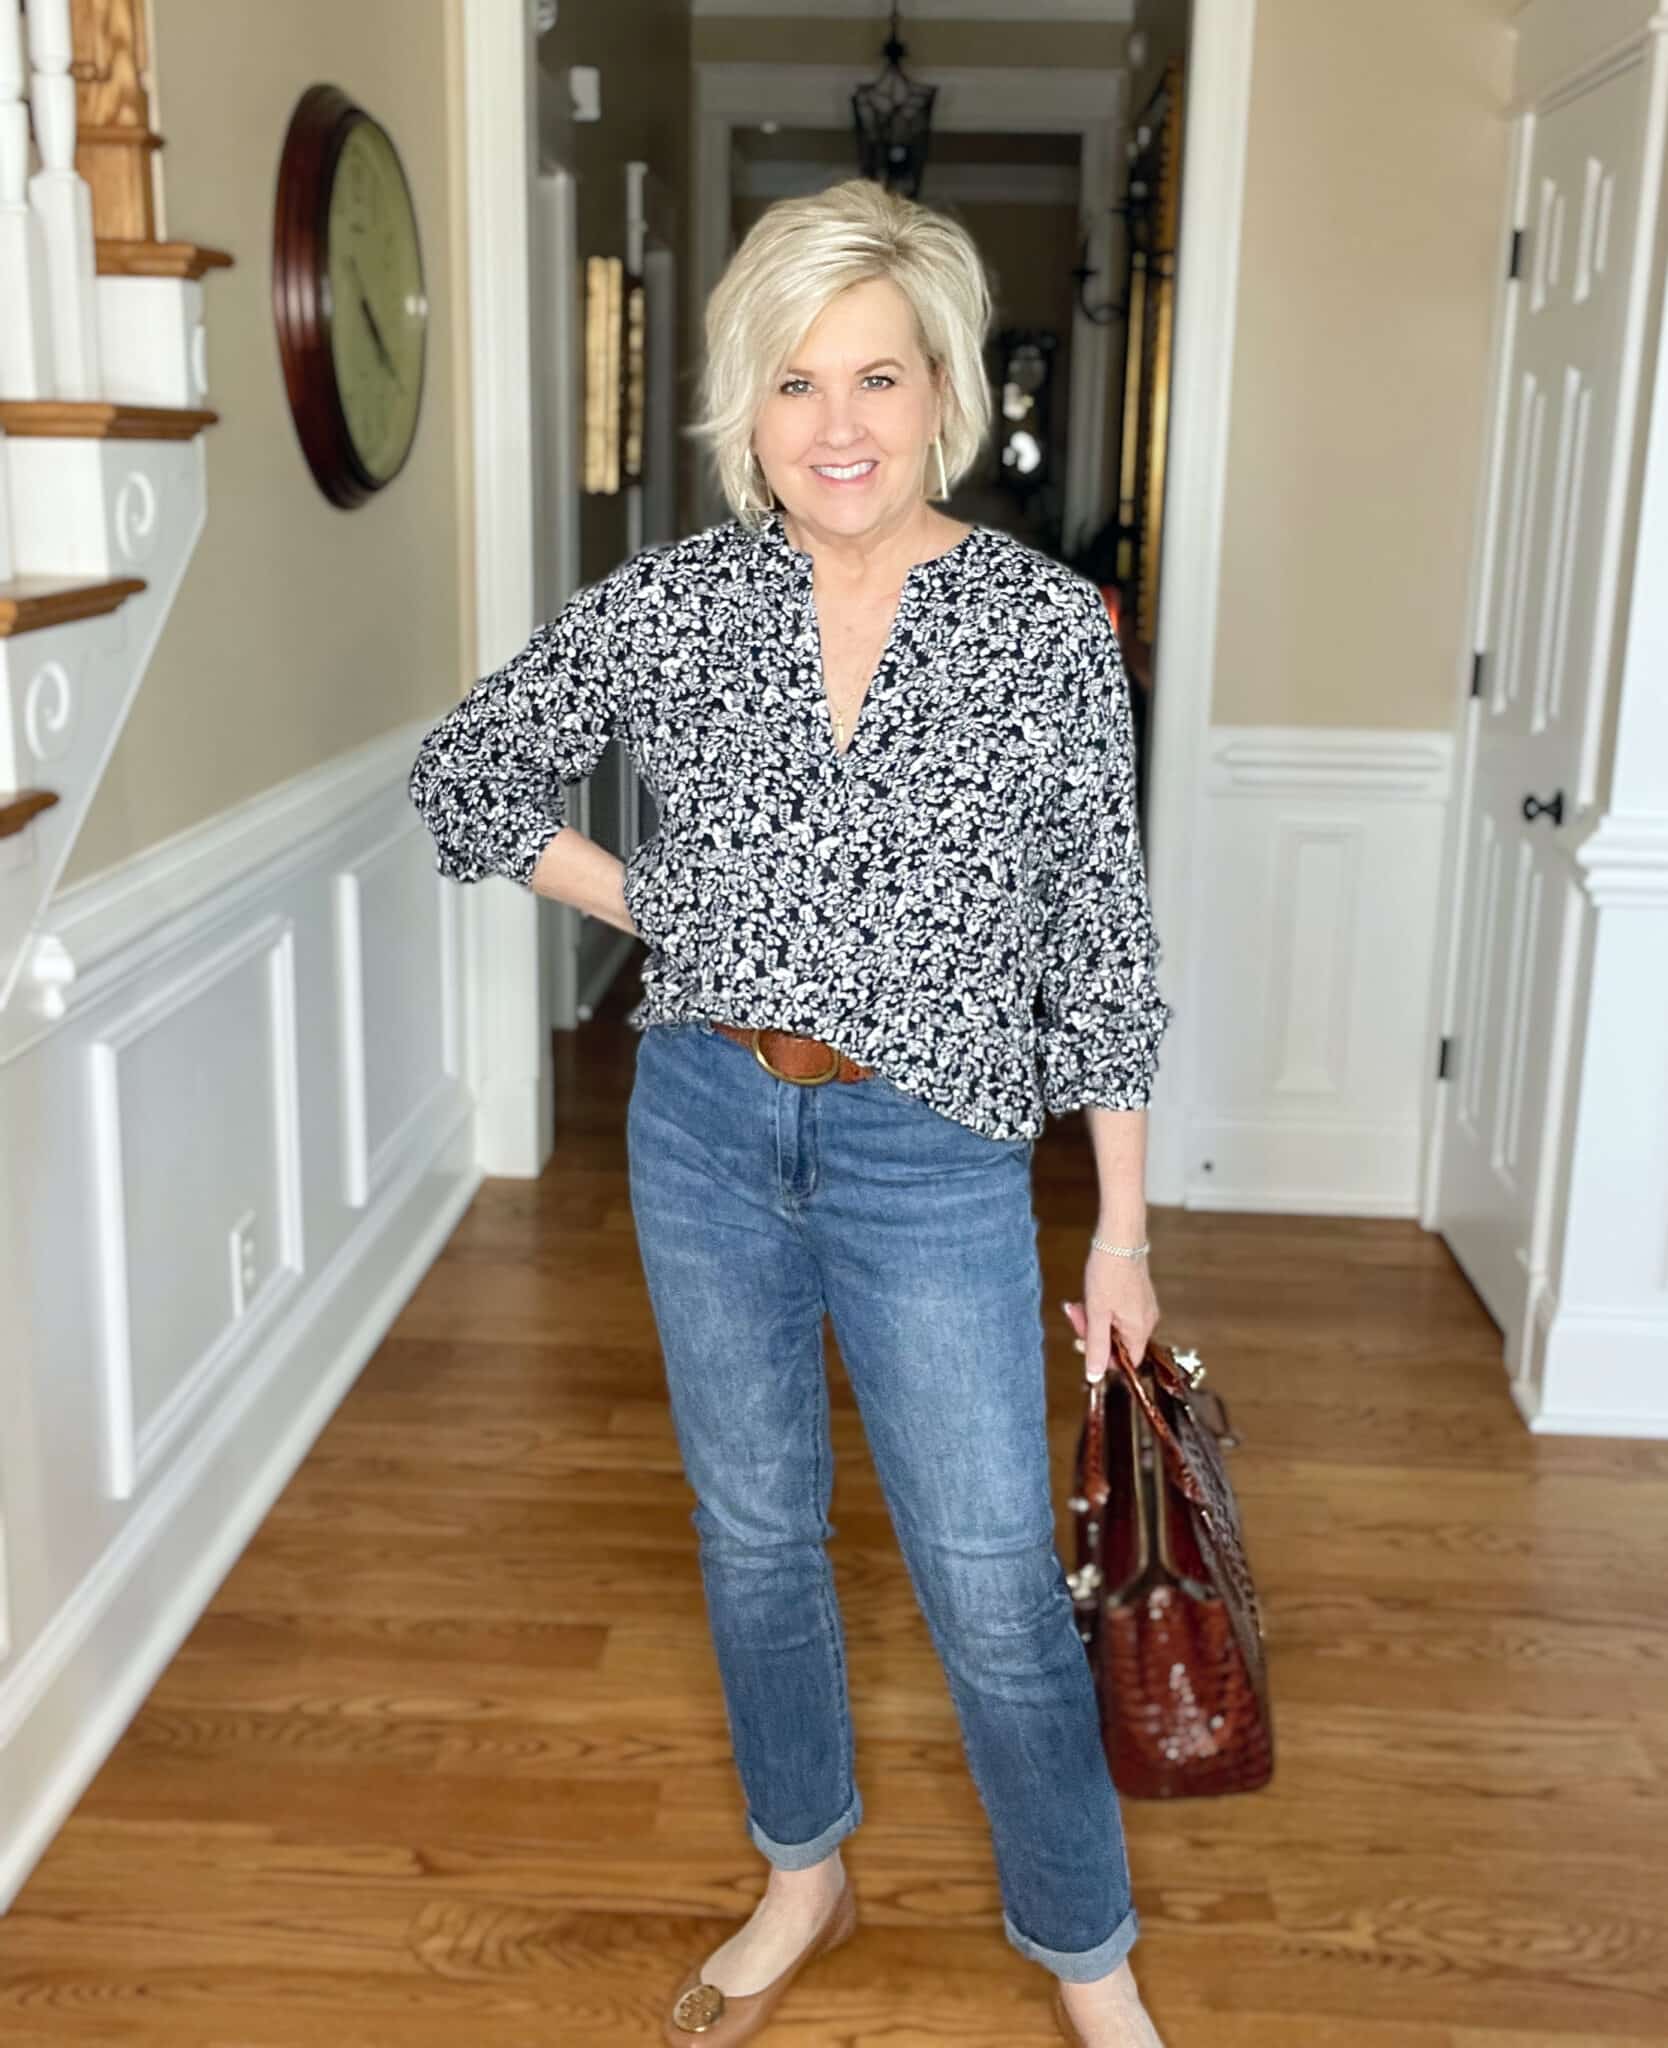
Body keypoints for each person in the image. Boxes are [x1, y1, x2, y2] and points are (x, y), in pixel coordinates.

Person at [408, 177, 1171, 2048]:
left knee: (992, 1581)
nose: (839, 426)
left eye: (880, 379)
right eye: (797, 384)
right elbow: (464, 775)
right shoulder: (676, 605)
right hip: (703, 1127)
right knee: (753, 1532)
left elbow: (1108, 952)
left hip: (934, 1152)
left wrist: (1128, 1235)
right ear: (746, 410)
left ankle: (1091, 1956)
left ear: (943, 399)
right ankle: (802, 1870)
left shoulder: (1040, 630)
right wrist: (662, 907)